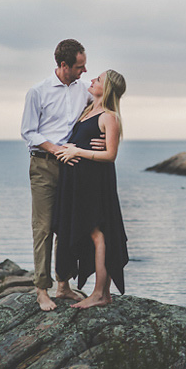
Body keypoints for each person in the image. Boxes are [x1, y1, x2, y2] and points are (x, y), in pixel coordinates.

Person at [21, 38, 103, 311]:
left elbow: (106, 109)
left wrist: (106, 140)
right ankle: (41, 290)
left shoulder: (85, 91)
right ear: (64, 65)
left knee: (66, 226)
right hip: (43, 165)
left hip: (73, 167)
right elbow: (29, 132)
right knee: (43, 228)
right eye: (80, 66)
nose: (85, 71)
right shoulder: (38, 91)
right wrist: (54, 148)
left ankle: (63, 285)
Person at [53, 69, 129, 308]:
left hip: (95, 181)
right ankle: (96, 292)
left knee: (98, 233)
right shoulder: (88, 109)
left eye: (99, 79)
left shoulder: (109, 116)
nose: (93, 79)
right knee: (90, 233)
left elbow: (111, 155)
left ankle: (100, 294)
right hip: (78, 181)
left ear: (106, 88)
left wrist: (79, 151)